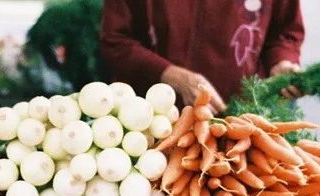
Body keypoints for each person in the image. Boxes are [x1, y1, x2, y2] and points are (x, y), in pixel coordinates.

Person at [99, 0, 304, 114]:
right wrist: (175, 77)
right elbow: (115, 41)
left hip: (238, 118)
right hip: (148, 121)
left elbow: (284, 31)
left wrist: (281, 60)